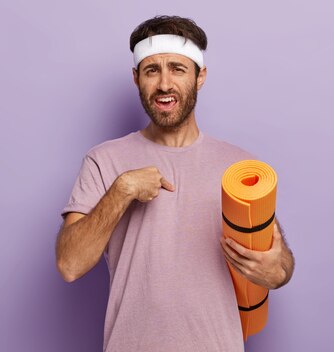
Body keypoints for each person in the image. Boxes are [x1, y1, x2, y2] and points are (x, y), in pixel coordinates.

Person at [55, 15, 295, 352]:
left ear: (200, 78)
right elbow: (69, 264)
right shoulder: (104, 160)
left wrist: (278, 270)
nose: (165, 84)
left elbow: (279, 260)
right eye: (152, 70)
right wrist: (121, 191)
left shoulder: (240, 166)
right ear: (137, 78)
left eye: (178, 69)